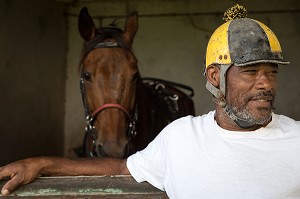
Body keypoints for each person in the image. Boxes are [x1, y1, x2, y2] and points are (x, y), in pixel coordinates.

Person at [1, 4, 300, 198]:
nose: (265, 83)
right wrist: (41, 163)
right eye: (250, 72)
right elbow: (120, 168)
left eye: (271, 72)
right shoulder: (180, 137)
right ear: (214, 77)